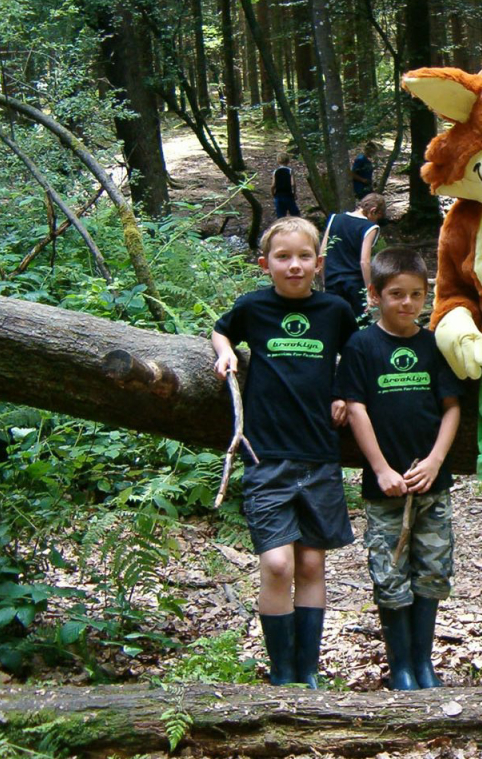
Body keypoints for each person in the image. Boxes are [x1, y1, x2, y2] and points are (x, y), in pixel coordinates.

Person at [211, 217, 357, 687]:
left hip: (319, 453)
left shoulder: (335, 309)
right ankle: (281, 672)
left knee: (312, 562)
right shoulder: (253, 307)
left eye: (303, 257)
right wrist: (226, 352)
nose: (294, 265)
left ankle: (306, 672)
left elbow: (356, 358)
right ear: (265, 264)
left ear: (318, 263)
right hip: (267, 454)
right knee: (277, 563)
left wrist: (343, 392)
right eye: (282, 257)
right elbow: (220, 330)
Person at [336, 247, 463, 690]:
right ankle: (401, 668)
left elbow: (451, 408)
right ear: (374, 295)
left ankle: (423, 663)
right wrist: (382, 469)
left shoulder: (433, 345)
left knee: (431, 570)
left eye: (416, 294)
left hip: (432, 484)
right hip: (384, 487)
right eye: (396, 294)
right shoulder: (362, 346)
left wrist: (434, 461)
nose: (407, 303)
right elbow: (356, 408)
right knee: (390, 574)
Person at [320, 193, 385, 319]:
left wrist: (324, 279)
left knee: (333, 320)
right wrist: (368, 290)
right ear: (373, 211)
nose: (376, 221)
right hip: (354, 283)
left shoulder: (335, 218)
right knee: (360, 321)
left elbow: (323, 251)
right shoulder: (370, 227)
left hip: (332, 279)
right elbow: (364, 261)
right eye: (377, 217)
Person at [271, 152, 301, 218]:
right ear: (288, 161)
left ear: (278, 161)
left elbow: (273, 185)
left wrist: (273, 193)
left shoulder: (275, 171)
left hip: (278, 196)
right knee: (295, 214)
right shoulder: (290, 170)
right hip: (288, 195)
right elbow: (293, 184)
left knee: (280, 216)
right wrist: (294, 193)